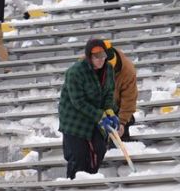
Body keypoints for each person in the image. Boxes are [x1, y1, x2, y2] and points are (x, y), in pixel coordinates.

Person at [58, 39, 118, 179]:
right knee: (78, 156)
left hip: (94, 117)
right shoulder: (75, 72)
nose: (100, 60)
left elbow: (109, 92)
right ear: (89, 57)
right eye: (96, 56)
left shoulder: (108, 69)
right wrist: (100, 115)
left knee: (99, 149)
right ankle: (74, 185)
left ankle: (91, 179)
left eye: (102, 55)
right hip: (74, 119)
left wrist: (109, 111)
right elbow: (78, 102)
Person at [103, 41, 138, 142]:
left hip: (116, 108)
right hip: (95, 110)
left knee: (121, 133)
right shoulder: (85, 66)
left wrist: (122, 122)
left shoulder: (128, 71)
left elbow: (129, 99)